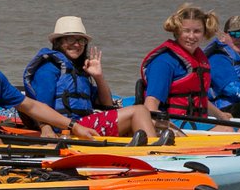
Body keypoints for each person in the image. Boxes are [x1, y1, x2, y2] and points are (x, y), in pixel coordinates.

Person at [22, 16, 157, 138]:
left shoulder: (79, 71)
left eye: (81, 40)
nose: (77, 44)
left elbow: (106, 105)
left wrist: (98, 76)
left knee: (149, 120)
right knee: (139, 111)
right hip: (66, 129)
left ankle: (148, 149)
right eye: (70, 39)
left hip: (83, 125)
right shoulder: (48, 68)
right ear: (58, 42)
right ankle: (155, 153)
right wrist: (46, 129)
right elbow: (40, 107)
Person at [141, 3, 229, 122]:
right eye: (186, 31)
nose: (191, 36)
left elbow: (198, 99)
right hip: (174, 123)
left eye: (197, 31)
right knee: (234, 131)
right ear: (177, 32)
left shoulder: (199, 59)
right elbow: (150, 107)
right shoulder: (164, 62)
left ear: (204, 33)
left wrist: (220, 115)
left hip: (196, 122)